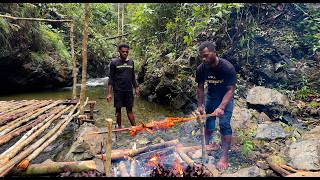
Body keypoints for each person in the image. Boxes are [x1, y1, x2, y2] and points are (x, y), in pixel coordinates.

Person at [196, 41, 236, 171]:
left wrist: (221, 107)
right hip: (212, 98)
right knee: (209, 123)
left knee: (224, 125)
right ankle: (205, 147)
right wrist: (200, 105)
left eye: (206, 55)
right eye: (201, 56)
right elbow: (200, 87)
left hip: (226, 99)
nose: (203, 58)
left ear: (214, 52)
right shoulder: (201, 68)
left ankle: (224, 157)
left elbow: (231, 90)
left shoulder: (227, 68)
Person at [106, 44, 140, 128]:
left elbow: (132, 77)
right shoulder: (114, 62)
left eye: (126, 52)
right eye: (123, 51)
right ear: (119, 51)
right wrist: (109, 93)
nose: (125, 53)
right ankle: (119, 127)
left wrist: (136, 87)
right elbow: (111, 78)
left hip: (128, 91)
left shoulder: (131, 62)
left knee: (130, 110)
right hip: (118, 91)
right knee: (118, 110)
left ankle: (134, 127)